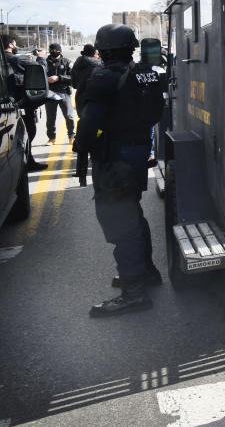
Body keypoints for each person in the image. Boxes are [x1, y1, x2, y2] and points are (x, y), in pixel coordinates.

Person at [74, 24, 165, 317]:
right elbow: (155, 114)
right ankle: (145, 273)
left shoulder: (102, 77)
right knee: (133, 215)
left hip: (114, 160)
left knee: (119, 224)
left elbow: (88, 124)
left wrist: (83, 147)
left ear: (104, 49)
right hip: (136, 153)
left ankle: (133, 293)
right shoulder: (147, 73)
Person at [1, 34, 48, 171]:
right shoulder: (17, 59)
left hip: (6, 102)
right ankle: (25, 161)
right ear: (10, 44)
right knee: (28, 131)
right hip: (21, 103)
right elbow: (41, 69)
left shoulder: (5, 60)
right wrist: (40, 58)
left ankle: (28, 160)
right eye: (14, 43)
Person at [44, 42, 75, 145]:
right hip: (50, 94)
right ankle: (51, 138)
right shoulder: (44, 63)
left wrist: (59, 78)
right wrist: (46, 79)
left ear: (60, 51)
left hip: (64, 92)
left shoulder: (67, 62)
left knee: (69, 116)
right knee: (50, 118)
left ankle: (71, 136)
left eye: (55, 50)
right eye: (51, 50)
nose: (53, 52)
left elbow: (74, 77)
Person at [71, 43, 102, 116]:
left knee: (83, 123)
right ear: (94, 54)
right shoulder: (96, 64)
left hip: (80, 98)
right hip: (93, 100)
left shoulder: (77, 64)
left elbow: (74, 84)